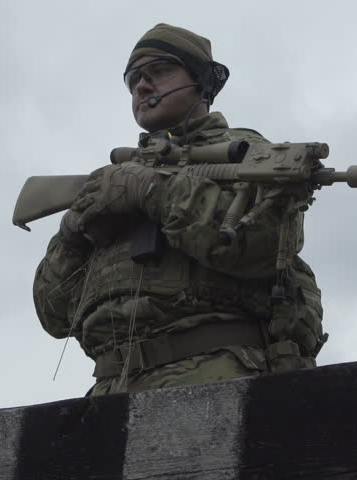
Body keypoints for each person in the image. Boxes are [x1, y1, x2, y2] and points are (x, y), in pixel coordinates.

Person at [33, 23, 326, 395]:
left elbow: (262, 245)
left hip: (213, 374)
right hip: (108, 386)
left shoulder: (250, 155)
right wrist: (74, 230)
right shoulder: (114, 180)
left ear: (201, 81)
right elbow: (55, 316)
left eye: (159, 72)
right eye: (134, 78)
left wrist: (151, 191)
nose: (142, 86)